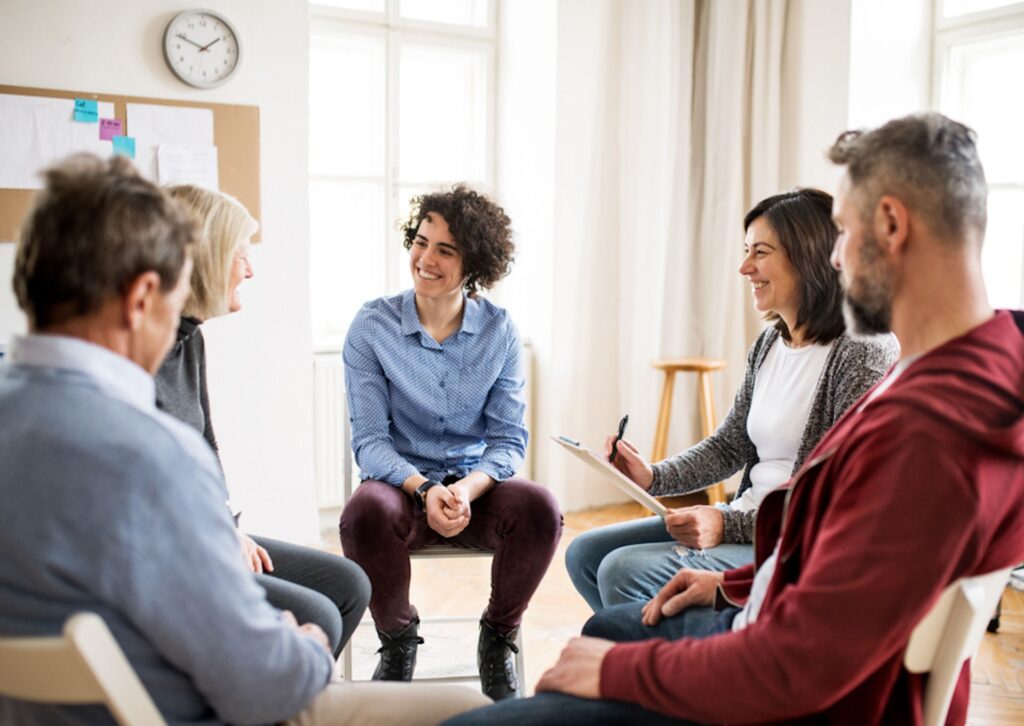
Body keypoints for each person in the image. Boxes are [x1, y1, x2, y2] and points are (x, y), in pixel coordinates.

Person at [443, 112, 1024, 725]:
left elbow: (801, 665)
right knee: (612, 618)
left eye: (845, 234)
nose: (839, 258)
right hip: (770, 624)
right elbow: (847, 576)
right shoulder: (968, 368)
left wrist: (617, 673)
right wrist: (733, 587)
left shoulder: (927, 433)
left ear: (890, 224)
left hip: (790, 699)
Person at [0, 154, 490, 725]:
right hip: (199, 709)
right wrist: (302, 642)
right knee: (469, 709)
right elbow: (265, 682)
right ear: (140, 301)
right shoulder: (152, 457)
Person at [566, 188, 898, 611]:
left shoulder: (863, 350)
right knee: (585, 555)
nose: (745, 267)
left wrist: (726, 523)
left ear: (810, 256)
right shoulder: (770, 342)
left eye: (760, 252)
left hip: (797, 541)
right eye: (746, 251)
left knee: (621, 572)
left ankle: (687, 665)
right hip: (747, 518)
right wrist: (652, 477)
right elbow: (730, 445)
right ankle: (680, 654)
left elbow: (835, 499)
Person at [339, 185, 563, 700]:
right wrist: (423, 490)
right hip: (401, 491)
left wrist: (467, 489)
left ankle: (498, 638)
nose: (426, 259)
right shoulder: (372, 326)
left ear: (475, 263)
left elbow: (508, 439)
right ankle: (397, 643)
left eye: (446, 249)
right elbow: (371, 442)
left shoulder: (500, 331)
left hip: (473, 496)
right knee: (363, 511)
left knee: (540, 507)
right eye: (421, 242)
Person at [155, 184, 370, 659]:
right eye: (240, 253)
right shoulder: (140, 349)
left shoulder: (190, 340)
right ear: (206, 255)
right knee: (319, 615)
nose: (249, 269)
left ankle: (292, 702)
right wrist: (217, 536)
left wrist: (228, 526)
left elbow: (205, 448)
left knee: (350, 584)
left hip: (207, 530)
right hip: (175, 550)